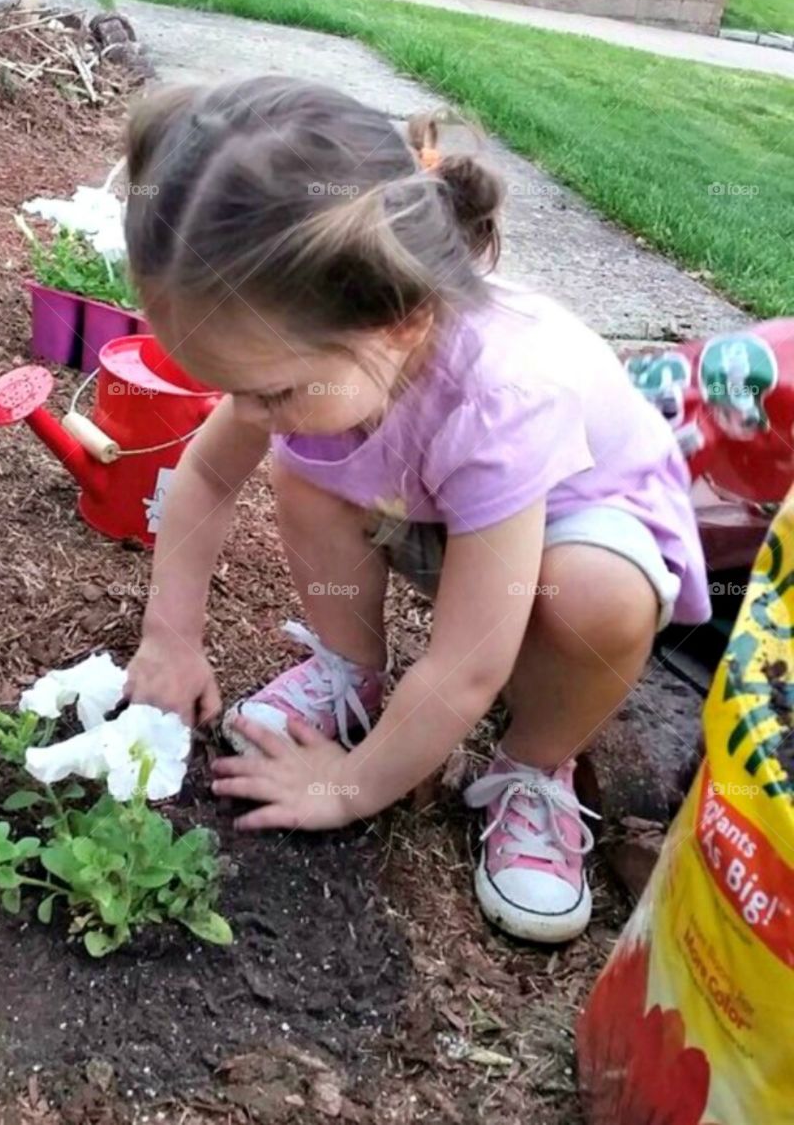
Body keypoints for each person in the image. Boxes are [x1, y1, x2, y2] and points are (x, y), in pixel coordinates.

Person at [121, 75, 710, 944]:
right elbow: (206, 480)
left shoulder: (505, 395)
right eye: (229, 389)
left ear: (400, 320)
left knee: (593, 598)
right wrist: (169, 639)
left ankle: (533, 771)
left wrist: (349, 788)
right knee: (303, 462)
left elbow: (470, 660)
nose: (243, 415)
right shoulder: (318, 357)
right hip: (441, 509)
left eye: (268, 389)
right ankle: (350, 670)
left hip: (573, 533)